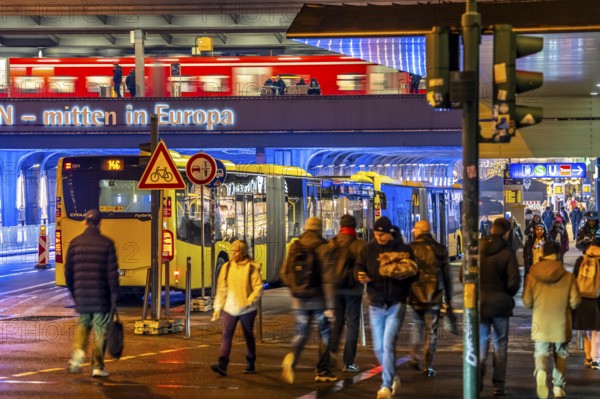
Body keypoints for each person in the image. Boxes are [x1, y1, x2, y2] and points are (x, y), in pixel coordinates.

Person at [356, 216, 418, 399]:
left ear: (389, 233)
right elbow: (359, 266)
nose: (378, 238)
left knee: (388, 344)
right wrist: (359, 274)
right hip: (376, 303)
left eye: (381, 235)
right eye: (376, 234)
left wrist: (402, 274)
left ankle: (386, 386)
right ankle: (392, 376)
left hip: (396, 302)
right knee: (378, 348)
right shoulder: (368, 249)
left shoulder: (404, 250)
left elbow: (414, 274)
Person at [280, 217, 337, 384]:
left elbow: (284, 273)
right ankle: (323, 370)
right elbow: (327, 278)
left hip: (299, 300)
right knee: (325, 334)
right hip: (319, 300)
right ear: (320, 229)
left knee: (301, 333)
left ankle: (291, 357)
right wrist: (331, 305)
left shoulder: (294, 247)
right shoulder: (323, 247)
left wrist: (295, 289)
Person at [522, 241, 581, 399]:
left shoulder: (532, 274)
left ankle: (541, 370)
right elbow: (575, 301)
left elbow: (527, 302)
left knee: (541, 351)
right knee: (560, 354)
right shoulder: (567, 276)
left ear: (542, 253)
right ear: (558, 254)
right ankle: (557, 387)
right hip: (561, 321)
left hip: (540, 321)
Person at [65, 209, 119, 378]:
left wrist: (74, 292)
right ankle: (97, 366)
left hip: (82, 295)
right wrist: (114, 295)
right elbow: (112, 274)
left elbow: (68, 272)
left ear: (85, 222)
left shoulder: (75, 243)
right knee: (100, 330)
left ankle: (78, 355)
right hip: (101, 296)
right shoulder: (107, 243)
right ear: (100, 223)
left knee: (83, 325)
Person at [479, 217, 521, 397]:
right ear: (506, 233)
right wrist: (505, 294)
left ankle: (476, 380)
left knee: (480, 343)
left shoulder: (477, 249)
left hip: (479, 304)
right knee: (500, 345)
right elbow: (514, 283)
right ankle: (498, 385)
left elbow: (465, 277)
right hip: (501, 305)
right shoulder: (507, 253)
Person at [210, 240, 263, 376]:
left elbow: (258, 288)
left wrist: (250, 301)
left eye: (237, 250)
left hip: (247, 309)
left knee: (248, 335)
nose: (234, 253)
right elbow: (222, 289)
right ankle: (223, 364)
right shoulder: (226, 267)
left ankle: (251, 361)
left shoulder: (251, 267)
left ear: (244, 252)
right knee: (227, 335)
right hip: (230, 308)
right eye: (232, 250)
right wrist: (217, 308)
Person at [408, 220, 452, 377]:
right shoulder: (440, 249)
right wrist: (449, 297)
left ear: (420, 230)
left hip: (415, 295)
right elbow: (447, 276)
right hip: (434, 296)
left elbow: (407, 273)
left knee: (417, 326)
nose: (413, 230)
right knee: (431, 332)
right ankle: (428, 365)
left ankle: (415, 356)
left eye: (415, 228)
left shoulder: (410, 248)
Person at [327, 214, 365, 373]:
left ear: (340, 226)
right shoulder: (360, 244)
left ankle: (330, 355)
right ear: (354, 227)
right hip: (354, 289)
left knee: (338, 323)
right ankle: (348, 361)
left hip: (336, 288)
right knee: (352, 325)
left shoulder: (333, 242)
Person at [572, 231, 600, 370]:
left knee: (587, 330)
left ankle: (588, 356)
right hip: (597, 298)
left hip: (583, 298)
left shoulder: (581, 260)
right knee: (597, 330)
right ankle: (596, 358)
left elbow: (574, 278)